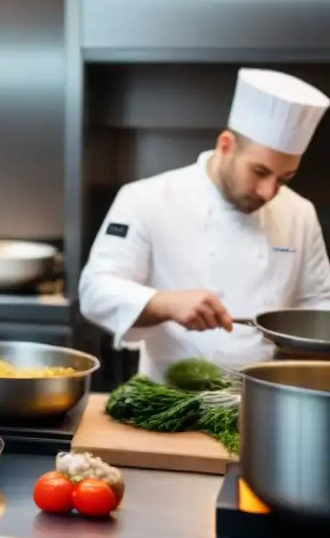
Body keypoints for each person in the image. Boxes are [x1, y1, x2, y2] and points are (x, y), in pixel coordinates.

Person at [80, 67, 330, 381]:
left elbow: (318, 307)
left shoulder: (299, 212)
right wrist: (164, 303)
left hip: (265, 397)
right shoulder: (146, 198)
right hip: (168, 401)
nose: (269, 192)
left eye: (284, 178)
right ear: (226, 145)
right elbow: (95, 290)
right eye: (260, 172)